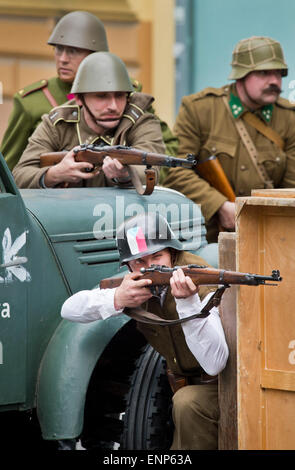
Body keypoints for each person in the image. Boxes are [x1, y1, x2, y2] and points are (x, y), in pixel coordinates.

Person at [61, 213, 229, 450]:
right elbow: (69, 309)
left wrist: (188, 303)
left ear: (171, 252)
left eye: (156, 257)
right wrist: (117, 298)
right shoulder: (138, 283)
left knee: (187, 403)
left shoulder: (201, 282)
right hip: (184, 394)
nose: (149, 267)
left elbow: (215, 363)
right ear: (128, 265)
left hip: (224, 388)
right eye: (139, 261)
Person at [1, 11, 177, 171]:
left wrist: (135, 167)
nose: (63, 59)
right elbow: (10, 165)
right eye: (58, 50)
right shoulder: (31, 102)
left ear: (97, 54)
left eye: (73, 51)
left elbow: (165, 147)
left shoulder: (127, 92)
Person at [162, 36, 295, 242]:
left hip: (267, 237)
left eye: (279, 73)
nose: (275, 81)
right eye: (264, 73)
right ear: (240, 75)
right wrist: (219, 206)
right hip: (208, 237)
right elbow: (175, 169)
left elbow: (290, 190)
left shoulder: (289, 118)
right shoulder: (200, 110)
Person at [12, 52, 165, 189]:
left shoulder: (141, 120)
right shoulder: (57, 124)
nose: (113, 106)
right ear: (79, 98)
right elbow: (20, 176)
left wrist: (125, 174)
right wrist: (54, 174)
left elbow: (151, 170)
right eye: (101, 96)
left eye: (119, 95)